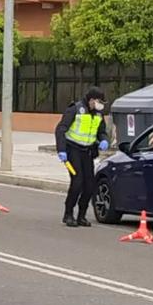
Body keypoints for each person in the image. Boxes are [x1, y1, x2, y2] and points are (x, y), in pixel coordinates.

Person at [55, 87, 110, 227]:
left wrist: (104, 140)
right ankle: (68, 214)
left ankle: (82, 215)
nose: (100, 105)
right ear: (92, 100)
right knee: (77, 182)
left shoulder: (98, 114)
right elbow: (61, 129)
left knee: (90, 185)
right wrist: (61, 150)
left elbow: (101, 131)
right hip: (73, 150)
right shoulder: (75, 109)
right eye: (99, 101)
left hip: (87, 152)